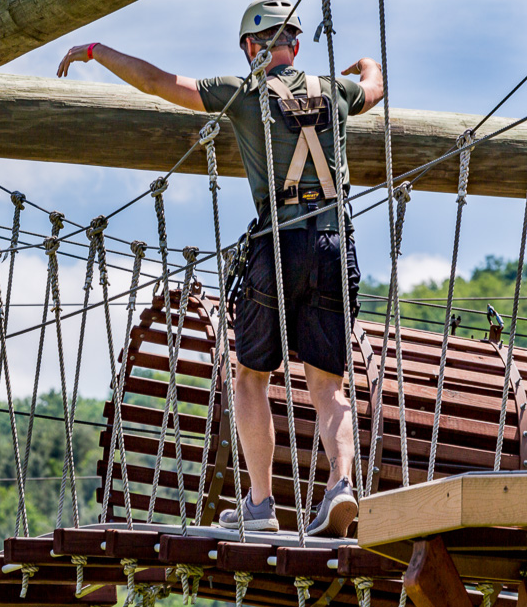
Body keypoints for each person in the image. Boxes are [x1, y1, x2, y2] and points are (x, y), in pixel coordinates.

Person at [57, 0, 384, 538]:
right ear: (295, 45)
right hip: (334, 244)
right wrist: (366, 62)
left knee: (252, 377)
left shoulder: (245, 93)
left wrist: (98, 50)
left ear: (253, 49)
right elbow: (375, 87)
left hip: (278, 243)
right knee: (330, 386)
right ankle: (342, 487)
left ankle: (259, 503)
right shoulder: (336, 93)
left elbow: (158, 82)